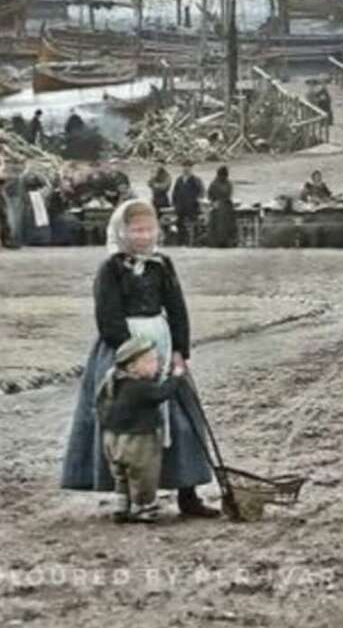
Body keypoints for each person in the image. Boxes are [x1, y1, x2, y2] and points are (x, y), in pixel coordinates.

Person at [61, 199, 219, 517]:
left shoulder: (162, 264)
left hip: (161, 340)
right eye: (136, 230)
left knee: (181, 419)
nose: (144, 236)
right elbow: (107, 316)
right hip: (125, 350)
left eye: (149, 230)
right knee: (128, 423)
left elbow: (176, 308)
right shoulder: (111, 269)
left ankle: (187, 492)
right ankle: (128, 496)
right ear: (122, 232)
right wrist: (132, 356)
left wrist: (178, 351)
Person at [96, 337, 178, 523]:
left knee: (121, 475)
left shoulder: (114, 381)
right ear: (132, 367)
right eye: (150, 361)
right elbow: (161, 394)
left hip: (113, 438)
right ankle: (142, 507)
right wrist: (176, 377)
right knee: (143, 474)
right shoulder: (140, 387)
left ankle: (121, 505)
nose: (156, 365)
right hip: (137, 440)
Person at [171, 161, 204, 246]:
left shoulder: (196, 180)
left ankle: (195, 242)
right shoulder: (179, 180)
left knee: (194, 224)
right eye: (184, 166)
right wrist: (175, 204)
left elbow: (201, 192)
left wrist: (198, 201)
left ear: (191, 168)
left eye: (188, 167)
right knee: (179, 224)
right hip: (180, 207)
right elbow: (175, 193)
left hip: (192, 207)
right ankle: (181, 242)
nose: (186, 169)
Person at [206, 165, 237, 248]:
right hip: (221, 207)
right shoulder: (216, 183)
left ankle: (223, 241)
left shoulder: (221, 183)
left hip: (224, 206)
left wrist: (214, 202)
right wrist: (214, 202)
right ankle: (222, 241)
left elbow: (210, 195)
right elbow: (210, 195)